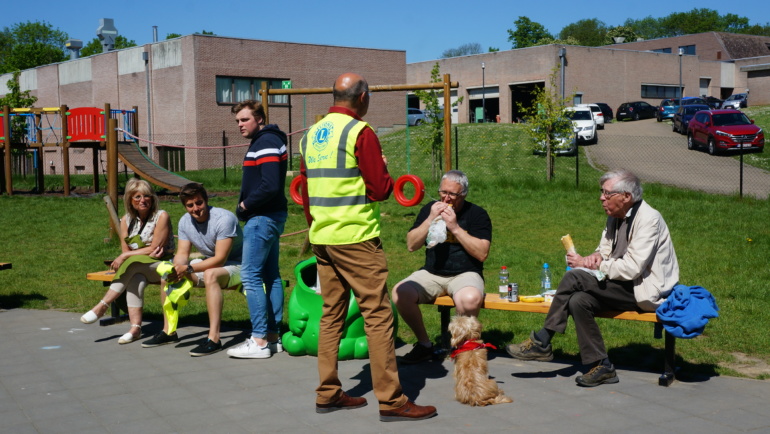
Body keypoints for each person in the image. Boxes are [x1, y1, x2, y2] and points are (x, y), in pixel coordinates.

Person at [299, 72, 436, 422]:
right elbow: (379, 189)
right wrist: (385, 172)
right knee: (377, 317)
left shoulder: (312, 134)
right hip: (356, 238)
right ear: (362, 98)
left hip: (323, 238)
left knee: (332, 314)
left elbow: (307, 190)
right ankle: (392, 401)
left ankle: (327, 393)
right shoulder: (361, 132)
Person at [505, 169, 680, 387]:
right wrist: (591, 258)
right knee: (579, 300)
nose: (601, 198)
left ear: (626, 196)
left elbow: (633, 268)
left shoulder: (649, 220)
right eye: (601, 192)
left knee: (574, 278)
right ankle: (602, 366)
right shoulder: (615, 217)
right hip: (623, 285)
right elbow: (604, 252)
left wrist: (588, 266)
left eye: (607, 194)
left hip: (646, 290)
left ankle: (543, 340)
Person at [392, 170, 491, 364]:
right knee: (400, 292)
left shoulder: (477, 214)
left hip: (466, 273)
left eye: (452, 194)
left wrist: (454, 227)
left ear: (463, 194)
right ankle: (424, 345)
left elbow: (482, 253)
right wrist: (430, 219)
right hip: (432, 272)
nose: (446, 198)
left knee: (469, 299)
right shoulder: (430, 209)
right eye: (443, 192)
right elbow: (411, 245)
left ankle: (463, 348)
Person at [141, 183, 245, 357]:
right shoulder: (184, 221)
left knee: (211, 274)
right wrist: (176, 269)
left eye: (199, 203)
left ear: (206, 201)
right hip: (209, 263)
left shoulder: (224, 218)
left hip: (240, 264)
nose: (196, 209)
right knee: (167, 276)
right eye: (190, 205)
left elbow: (220, 259)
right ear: (185, 206)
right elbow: (182, 254)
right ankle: (169, 331)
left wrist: (188, 268)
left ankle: (214, 339)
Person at [226, 100, 288, 359]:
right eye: (238, 121)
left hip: (262, 218)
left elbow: (270, 184)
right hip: (271, 216)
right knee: (270, 275)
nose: (240, 125)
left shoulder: (265, 142)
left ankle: (260, 340)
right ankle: (272, 337)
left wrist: (244, 206)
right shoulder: (269, 139)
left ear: (259, 118)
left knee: (250, 276)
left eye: (245, 119)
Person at [80, 178, 175, 345]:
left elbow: (153, 249)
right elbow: (127, 250)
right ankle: (135, 328)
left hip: (163, 266)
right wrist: (128, 255)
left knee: (132, 264)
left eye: (146, 196)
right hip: (139, 267)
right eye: (137, 197)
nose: (142, 200)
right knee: (135, 277)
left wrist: (126, 256)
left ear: (152, 198)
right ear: (130, 200)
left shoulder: (161, 216)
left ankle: (103, 305)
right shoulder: (126, 220)